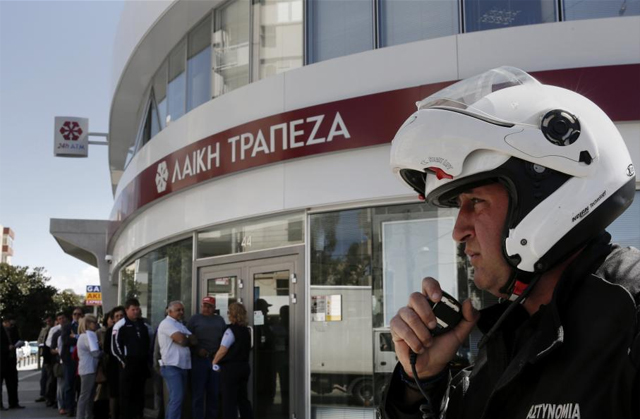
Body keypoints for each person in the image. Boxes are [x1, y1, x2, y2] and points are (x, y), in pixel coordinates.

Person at [382, 66, 640, 418]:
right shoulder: (507, 334)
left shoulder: (630, 314)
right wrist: (420, 382)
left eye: (476, 202)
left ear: (546, 193)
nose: (458, 231)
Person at [212, 302, 254, 419]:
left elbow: (223, 350)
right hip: (244, 367)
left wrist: (214, 362)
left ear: (231, 314)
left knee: (229, 401)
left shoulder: (230, 331)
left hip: (231, 369)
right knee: (243, 399)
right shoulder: (246, 330)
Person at [187, 296, 226, 419]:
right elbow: (187, 338)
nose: (206, 308)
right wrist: (197, 350)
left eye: (209, 306)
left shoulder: (220, 320)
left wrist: (219, 352)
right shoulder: (194, 319)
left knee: (213, 393)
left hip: (215, 359)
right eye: (205, 305)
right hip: (199, 360)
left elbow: (225, 339)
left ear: (214, 308)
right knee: (198, 393)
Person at [112, 298, 151, 419]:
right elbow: (115, 346)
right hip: (128, 363)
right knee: (126, 393)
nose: (136, 312)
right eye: (133, 309)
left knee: (139, 392)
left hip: (142, 363)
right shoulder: (121, 325)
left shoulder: (144, 324)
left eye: (137, 309)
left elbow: (149, 341)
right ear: (127, 310)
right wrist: (123, 361)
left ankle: (139, 414)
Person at [157, 300, 197, 419]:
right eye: (178, 310)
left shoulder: (180, 324)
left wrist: (185, 337)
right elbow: (183, 341)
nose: (181, 312)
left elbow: (194, 340)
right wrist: (185, 337)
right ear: (169, 311)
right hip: (171, 366)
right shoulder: (167, 323)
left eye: (182, 310)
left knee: (176, 399)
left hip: (182, 366)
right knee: (177, 398)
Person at [76, 314, 102, 419]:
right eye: (94, 323)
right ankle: (81, 416)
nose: (96, 325)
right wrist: (102, 352)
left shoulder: (84, 336)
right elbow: (95, 353)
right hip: (88, 369)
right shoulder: (88, 336)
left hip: (86, 368)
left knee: (88, 395)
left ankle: (87, 415)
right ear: (88, 324)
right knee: (85, 396)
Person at [62, 307, 84, 417]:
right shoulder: (67, 326)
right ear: (72, 315)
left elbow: (87, 339)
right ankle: (70, 408)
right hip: (70, 359)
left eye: (79, 314)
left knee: (80, 386)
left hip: (82, 360)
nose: (77, 316)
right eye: (75, 314)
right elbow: (66, 340)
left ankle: (80, 410)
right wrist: (79, 338)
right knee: (69, 385)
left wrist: (75, 336)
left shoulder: (85, 326)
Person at [104, 306, 125, 419]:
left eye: (121, 315)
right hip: (113, 365)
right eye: (117, 316)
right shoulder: (110, 331)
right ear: (113, 319)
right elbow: (107, 348)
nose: (120, 318)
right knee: (114, 392)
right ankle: (113, 414)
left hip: (126, 365)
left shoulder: (128, 328)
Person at [0, 315, 25, 410]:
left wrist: (19, 343)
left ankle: (14, 403)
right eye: (11, 324)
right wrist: (7, 348)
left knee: (13, 383)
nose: (12, 326)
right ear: (5, 322)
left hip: (11, 360)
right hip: (2, 361)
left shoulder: (13, 329)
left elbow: (17, 339)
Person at [36, 315, 55, 403]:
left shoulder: (55, 329)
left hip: (52, 356)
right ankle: (43, 394)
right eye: (47, 321)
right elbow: (39, 340)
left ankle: (49, 396)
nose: (48, 323)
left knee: (50, 378)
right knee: (44, 377)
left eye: (50, 321)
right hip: (45, 355)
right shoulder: (44, 330)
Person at [45, 315, 63, 407]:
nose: (61, 320)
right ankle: (52, 399)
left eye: (63, 318)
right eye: (59, 319)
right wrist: (56, 349)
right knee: (54, 379)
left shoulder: (70, 328)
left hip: (66, 358)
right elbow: (48, 343)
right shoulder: (54, 330)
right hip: (55, 358)